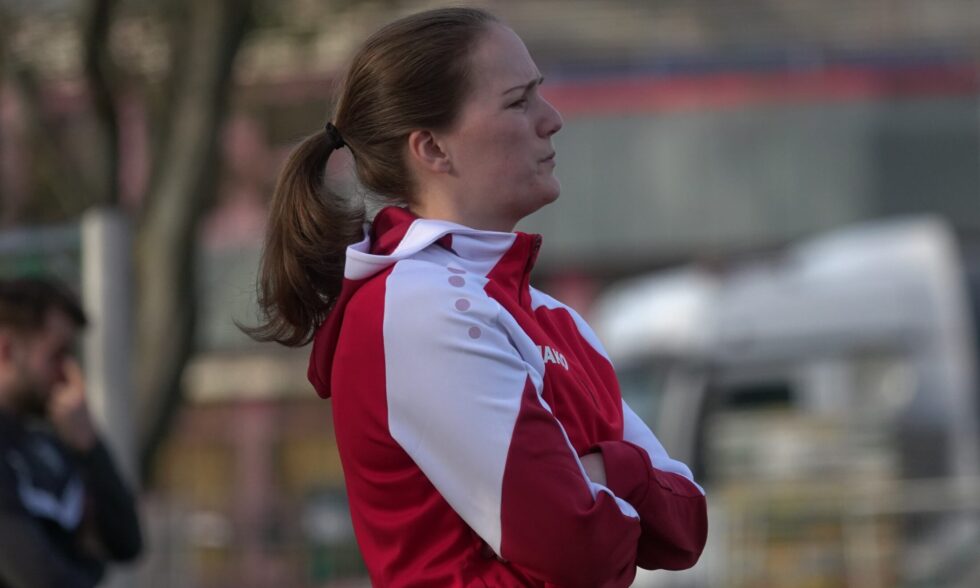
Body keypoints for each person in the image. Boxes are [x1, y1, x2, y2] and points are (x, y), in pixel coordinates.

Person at [248, 7, 707, 587]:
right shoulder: (419, 308)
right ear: (433, 149)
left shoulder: (550, 316)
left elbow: (686, 524)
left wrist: (597, 475)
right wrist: (620, 475)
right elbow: (580, 551)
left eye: (540, 93)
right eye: (518, 102)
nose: (552, 119)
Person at [0, 277, 142, 588]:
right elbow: (38, 576)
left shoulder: (47, 442)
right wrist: (89, 565)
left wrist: (90, 447)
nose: (68, 373)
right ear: (7, 350)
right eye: (57, 355)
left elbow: (126, 541)